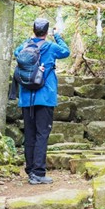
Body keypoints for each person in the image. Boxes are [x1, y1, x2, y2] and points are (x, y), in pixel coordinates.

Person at [14, 18, 70, 185]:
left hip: (26, 98)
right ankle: (38, 173)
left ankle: (31, 170)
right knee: (42, 135)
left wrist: (29, 40)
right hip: (45, 97)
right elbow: (66, 52)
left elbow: (17, 53)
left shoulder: (24, 47)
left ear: (34, 30)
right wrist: (57, 36)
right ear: (46, 32)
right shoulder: (51, 47)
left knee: (30, 135)